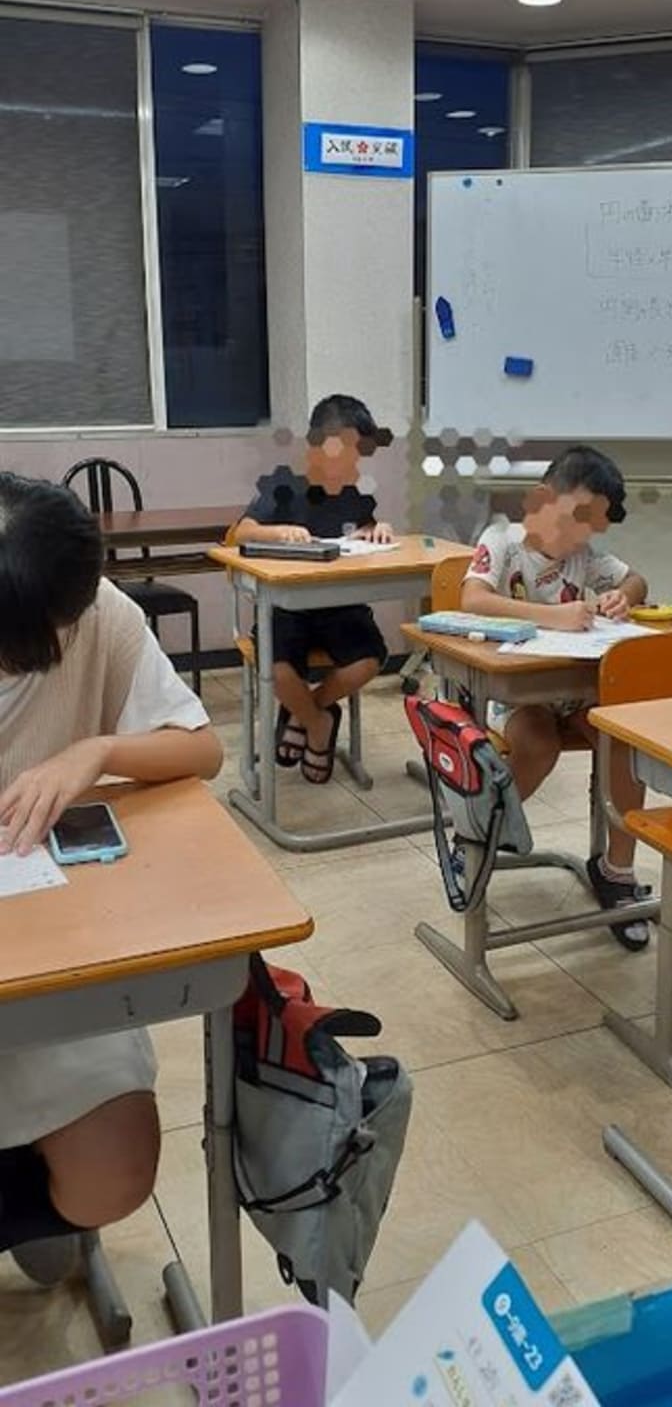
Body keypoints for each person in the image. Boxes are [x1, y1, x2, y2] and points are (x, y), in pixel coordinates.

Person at [0, 473, 222, 1286]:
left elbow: (200, 748)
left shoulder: (97, 615)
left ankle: (36, 1193)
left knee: (117, 1174)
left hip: (54, 946)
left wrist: (95, 751)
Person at [461, 444, 651, 951]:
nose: (582, 535)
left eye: (592, 526)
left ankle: (617, 870)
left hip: (576, 692)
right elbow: (472, 598)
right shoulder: (503, 541)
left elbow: (637, 579)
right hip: (516, 695)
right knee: (538, 744)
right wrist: (553, 616)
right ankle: (478, 839)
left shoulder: (584, 557)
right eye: (576, 518)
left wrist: (624, 596)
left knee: (624, 743)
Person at [235, 394, 393, 784]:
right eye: (349, 452)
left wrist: (377, 529)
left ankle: (304, 712)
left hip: (341, 607)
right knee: (277, 668)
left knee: (369, 660)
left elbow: (365, 528)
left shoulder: (356, 494)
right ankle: (319, 725)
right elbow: (242, 532)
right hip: (286, 608)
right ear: (319, 444)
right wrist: (279, 532)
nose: (354, 463)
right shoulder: (284, 484)